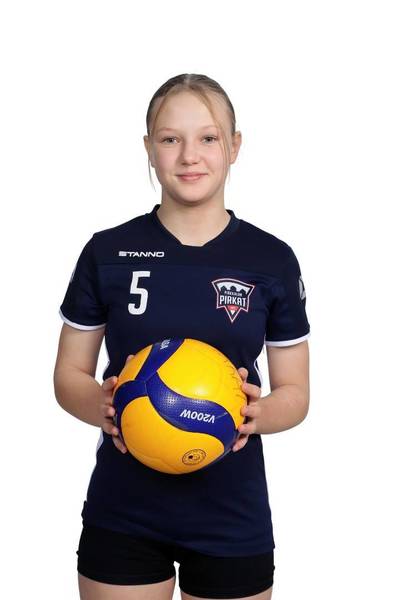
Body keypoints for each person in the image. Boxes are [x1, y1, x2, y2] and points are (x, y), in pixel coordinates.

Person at [53, 73, 311, 600]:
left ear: (234, 146)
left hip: (231, 511)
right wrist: (103, 405)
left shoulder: (271, 260)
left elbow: (297, 392)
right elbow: (68, 375)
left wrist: (255, 413)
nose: (189, 156)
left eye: (208, 138)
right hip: (124, 509)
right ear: (149, 148)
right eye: (171, 139)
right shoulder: (108, 251)